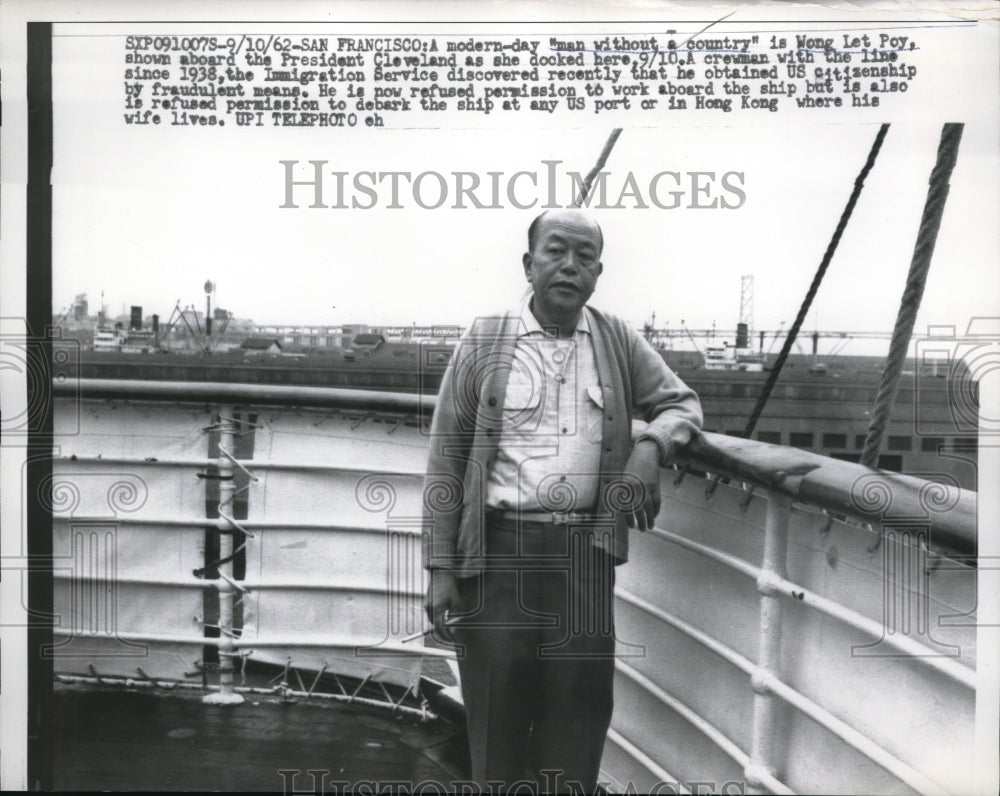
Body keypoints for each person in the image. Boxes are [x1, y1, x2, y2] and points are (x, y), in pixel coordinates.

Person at [423, 209, 703, 793]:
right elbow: (446, 460)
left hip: (584, 553)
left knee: (577, 719)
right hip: (497, 557)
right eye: (555, 252)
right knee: (495, 719)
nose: (569, 266)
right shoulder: (484, 339)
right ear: (529, 264)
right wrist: (441, 570)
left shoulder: (617, 338)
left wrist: (650, 447)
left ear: (599, 272)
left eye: (584, 257)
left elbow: (682, 405)